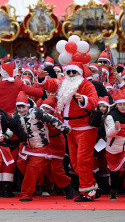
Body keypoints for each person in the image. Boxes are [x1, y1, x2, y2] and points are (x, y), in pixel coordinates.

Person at [37, 62, 99, 202]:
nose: (70, 74)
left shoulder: (86, 85)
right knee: (75, 163)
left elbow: (95, 101)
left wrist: (84, 99)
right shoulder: (63, 82)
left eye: (73, 72)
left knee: (83, 161)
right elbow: (51, 84)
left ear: (80, 73)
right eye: (68, 72)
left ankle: (88, 192)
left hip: (85, 128)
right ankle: (93, 186)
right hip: (70, 128)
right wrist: (42, 79)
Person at [13, 92, 70, 201]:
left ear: (27, 106)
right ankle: (37, 182)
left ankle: (27, 194)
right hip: (26, 146)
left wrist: (64, 128)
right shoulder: (15, 116)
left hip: (40, 146)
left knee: (33, 168)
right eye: (19, 107)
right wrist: (5, 135)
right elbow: (12, 128)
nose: (21, 109)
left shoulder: (37, 112)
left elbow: (52, 120)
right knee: (21, 165)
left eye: (23, 107)